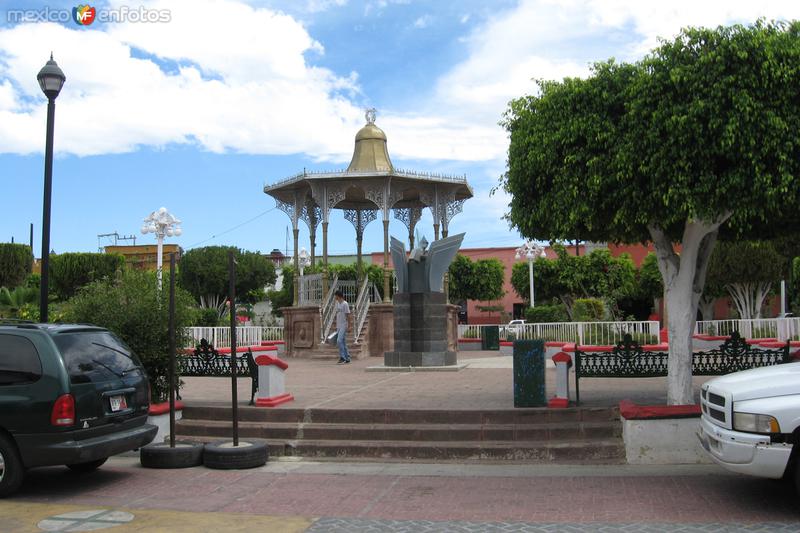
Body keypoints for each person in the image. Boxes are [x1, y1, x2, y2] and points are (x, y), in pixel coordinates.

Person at [334, 290, 351, 364]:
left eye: (336, 295)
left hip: (344, 325)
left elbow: (348, 315)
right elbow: (337, 314)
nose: (335, 297)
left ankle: (342, 357)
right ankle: (347, 357)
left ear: (338, 296)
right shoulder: (337, 303)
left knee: (339, 340)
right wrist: (336, 324)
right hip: (339, 325)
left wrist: (350, 326)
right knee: (343, 342)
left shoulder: (345, 304)